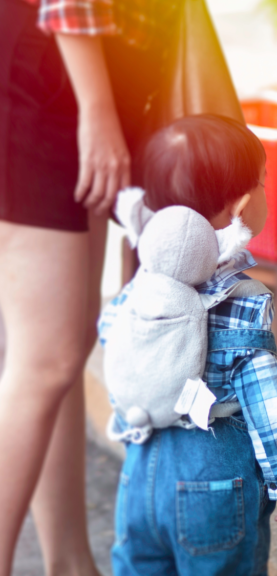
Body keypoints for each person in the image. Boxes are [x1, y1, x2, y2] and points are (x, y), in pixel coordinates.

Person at [98, 114, 277, 575]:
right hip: (213, 476)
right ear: (243, 206)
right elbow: (263, 394)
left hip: (141, 468)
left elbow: (112, 341)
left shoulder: (142, 287)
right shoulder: (244, 300)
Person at [0, 0, 128, 573]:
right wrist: (97, 107)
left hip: (80, 73)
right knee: (46, 357)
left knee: (67, 344)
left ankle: (72, 565)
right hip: (47, 74)